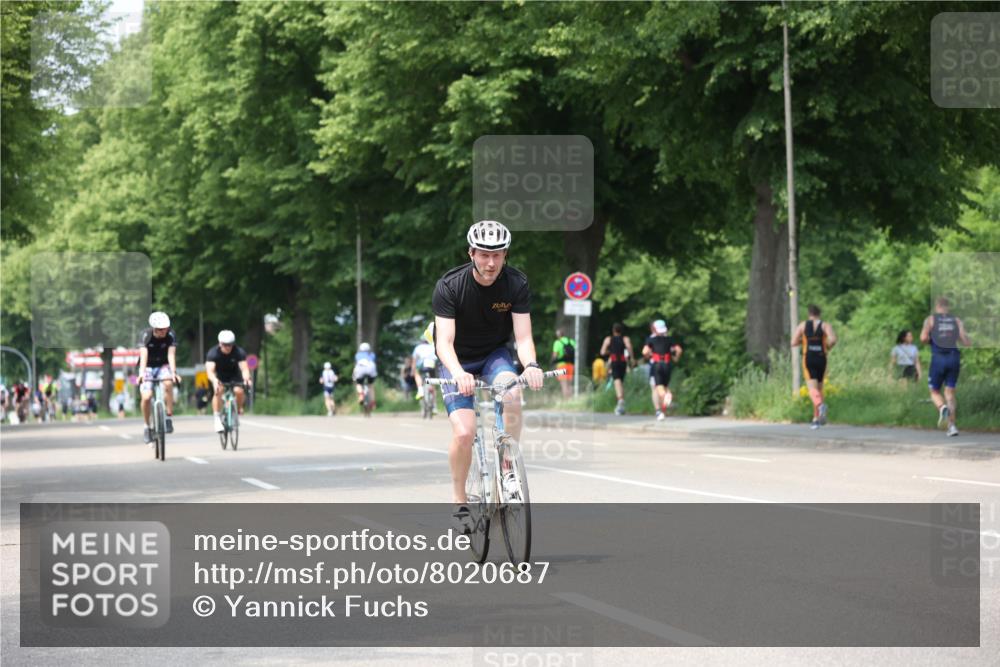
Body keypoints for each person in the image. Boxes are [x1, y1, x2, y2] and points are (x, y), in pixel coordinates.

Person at [432, 220, 544, 534]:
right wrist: (458, 373)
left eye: (497, 255)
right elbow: (444, 343)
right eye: (483, 254)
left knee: (512, 393)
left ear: (505, 255)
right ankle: (459, 502)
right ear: (471, 253)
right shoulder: (450, 286)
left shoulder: (516, 284)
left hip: (495, 354)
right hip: (458, 359)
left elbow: (522, 339)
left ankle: (508, 468)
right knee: (465, 433)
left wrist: (532, 365)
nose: (491, 262)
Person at [920, 297, 971, 437]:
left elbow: (923, 338)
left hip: (938, 358)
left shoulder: (930, 319)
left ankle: (942, 408)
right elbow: (966, 341)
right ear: (948, 307)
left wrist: (933, 340)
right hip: (954, 357)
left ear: (937, 306)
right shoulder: (957, 320)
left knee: (934, 391)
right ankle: (952, 426)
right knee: (950, 393)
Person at [791, 305, 838, 430]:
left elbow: (793, 342)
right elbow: (833, 339)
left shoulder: (802, 325)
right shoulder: (825, 325)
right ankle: (816, 419)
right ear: (819, 314)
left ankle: (820, 406)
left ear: (809, 314)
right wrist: (827, 346)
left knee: (812, 389)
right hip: (822, 358)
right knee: (819, 390)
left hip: (809, 358)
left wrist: (805, 341)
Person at [138, 311, 180, 443]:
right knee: (146, 397)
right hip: (148, 366)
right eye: (162, 329)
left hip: (163, 365)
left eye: (166, 328)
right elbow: (143, 356)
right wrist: (141, 374)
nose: (165, 331)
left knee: (168, 383)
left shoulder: (171, 335)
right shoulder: (146, 335)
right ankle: (146, 427)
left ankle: (168, 417)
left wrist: (173, 372)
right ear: (154, 329)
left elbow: (171, 355)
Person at [206, 330, 252, 433]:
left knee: (239, 391)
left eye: (230, 345)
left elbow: (244, 368)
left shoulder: (239, 352)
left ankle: (238, 409)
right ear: (220, 343)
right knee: (219, 390)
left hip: (234, 375)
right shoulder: (213, 353)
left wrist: (246, 379)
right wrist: (214, 380)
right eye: (225, 345)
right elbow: (210, 371)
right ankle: (217, 418)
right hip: (219, 376)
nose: (227, 347)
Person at [643, 319, 683, 421]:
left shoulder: (651, 340)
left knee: (659, 387)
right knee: (665, 386)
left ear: (655, 329)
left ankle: (666, 396)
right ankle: (664, 405)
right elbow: (679, 350)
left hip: (657, 365)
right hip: (667, 365)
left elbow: (644, 351)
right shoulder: (670, 339)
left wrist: (649, 355)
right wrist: (676, 358)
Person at [600, 322, 635, 416]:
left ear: (613, 330)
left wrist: (610, 351)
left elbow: (602, 352)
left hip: (614, 361)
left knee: (617, 381)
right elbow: (629, 347)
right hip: (623, 362)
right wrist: (632, 358)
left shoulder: (609, 339)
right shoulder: (625, 339)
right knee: (620, 381)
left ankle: (620, 401)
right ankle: (621, 402)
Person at [412, 324, 439, 403]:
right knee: (432, 382)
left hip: (423, 365)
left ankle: (420, 390)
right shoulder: (433, 346)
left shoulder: (418, 347)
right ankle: (434, 408)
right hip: (433, 365)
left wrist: (412, 370)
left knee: (416, 373)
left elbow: (414, 361)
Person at [550, 329, 576, 398]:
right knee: (569, 384)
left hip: (561, 365)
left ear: (558, 335)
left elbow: (555, 355)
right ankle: (571, 400)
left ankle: (566, 401)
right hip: (570, 364)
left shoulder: (557, 342)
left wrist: (552, 361)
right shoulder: (571, 341)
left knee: (564, 384)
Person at [352, 342, 378, 409]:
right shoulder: (372, 354)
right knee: (371, 386)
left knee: (358, 383)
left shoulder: (357, 355)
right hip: (371, 369)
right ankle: (373, 402)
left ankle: (361, 395)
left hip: (361, 369)